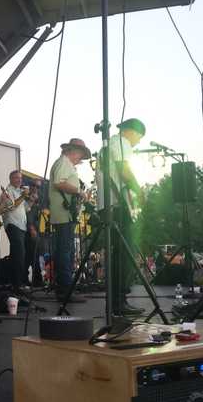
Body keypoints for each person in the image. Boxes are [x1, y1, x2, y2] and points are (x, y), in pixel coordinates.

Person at [96, 118, 146, 316]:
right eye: (139, 137)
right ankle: (119, 301)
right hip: (116, 204)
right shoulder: (121, 143)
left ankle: (117, 302)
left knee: (119, 253)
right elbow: (123, 170)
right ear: (131, 131)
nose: (138, 142)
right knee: (125, 253)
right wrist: (138, 190)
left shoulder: (110, 144)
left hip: (108, 204)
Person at [49, 138, 91, 303]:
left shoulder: (65, 164)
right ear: (72, 151)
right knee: (65, 252)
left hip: (65, 214)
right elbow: (60, 183)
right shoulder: (63, 163)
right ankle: (65, 290)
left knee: (65, 251)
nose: (80, 159)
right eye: (80, 155)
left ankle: (64, 288)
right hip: (63, 214)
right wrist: (79, 192)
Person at [1, 170, 29, 290]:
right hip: (12, 225)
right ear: (10, 179)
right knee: (19, 254)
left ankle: (15, 283)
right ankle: (17, 284)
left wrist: (31, 199)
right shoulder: (7, 191)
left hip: (21, 226)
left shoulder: (18, 191)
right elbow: (11, 206)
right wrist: (23, 196)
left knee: (17, 254)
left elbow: (26, 208)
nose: (19, 180)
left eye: (20, 178)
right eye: (16, 178)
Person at [25, 180, 44, 287]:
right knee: (30, 256)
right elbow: (28, 214)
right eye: (34, 185)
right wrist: (31, 228)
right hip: (29, 231)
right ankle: (34, 280)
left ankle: (37, 280)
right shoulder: (27, 197)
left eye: (38, 186)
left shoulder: (38, 200)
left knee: (34, 256)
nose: (36, 188)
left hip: (36, 230)